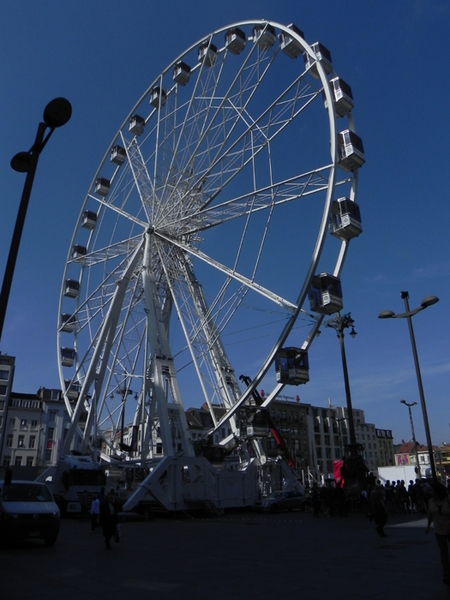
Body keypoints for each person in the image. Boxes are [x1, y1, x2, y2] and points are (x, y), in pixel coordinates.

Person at [425, 482, 450, 586]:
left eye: (432, 490)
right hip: (439, 530)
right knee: (443, 553)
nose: (430, 492)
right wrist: (428, 526)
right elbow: (430, 514)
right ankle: (446, 574)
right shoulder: (431, 501)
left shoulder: (448, 499)